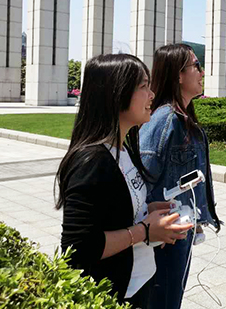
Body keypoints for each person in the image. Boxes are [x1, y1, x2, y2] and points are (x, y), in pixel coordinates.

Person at [55, 54, 193, 307]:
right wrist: (145, 231)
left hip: (141, 282)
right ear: (116, 94)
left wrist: (148, 211)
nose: (152, 95)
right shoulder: (91, 161)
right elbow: (79, 248)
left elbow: (113, 210)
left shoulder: (122, 150)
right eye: (143, 86)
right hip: (117, 294)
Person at [139, 44, 221, 309]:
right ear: (178, 75)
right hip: (165, 237)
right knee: (164, 302)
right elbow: (142, 181)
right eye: (196, 65)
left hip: (179, 230)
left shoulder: (182, 117)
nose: (202, 72)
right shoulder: (164, 120)